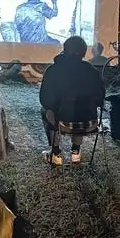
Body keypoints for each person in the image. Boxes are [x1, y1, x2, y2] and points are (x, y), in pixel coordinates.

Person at [39, 36, 105, 165]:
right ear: (84, 52)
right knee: (80, 109)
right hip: (89, 124)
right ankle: (76, 152)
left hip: (63, 123)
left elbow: (45, 100)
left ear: (64, 49)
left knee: (45, 110)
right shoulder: (92, 71)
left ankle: (56, 154)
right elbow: (100, 98)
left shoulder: (53, 70)